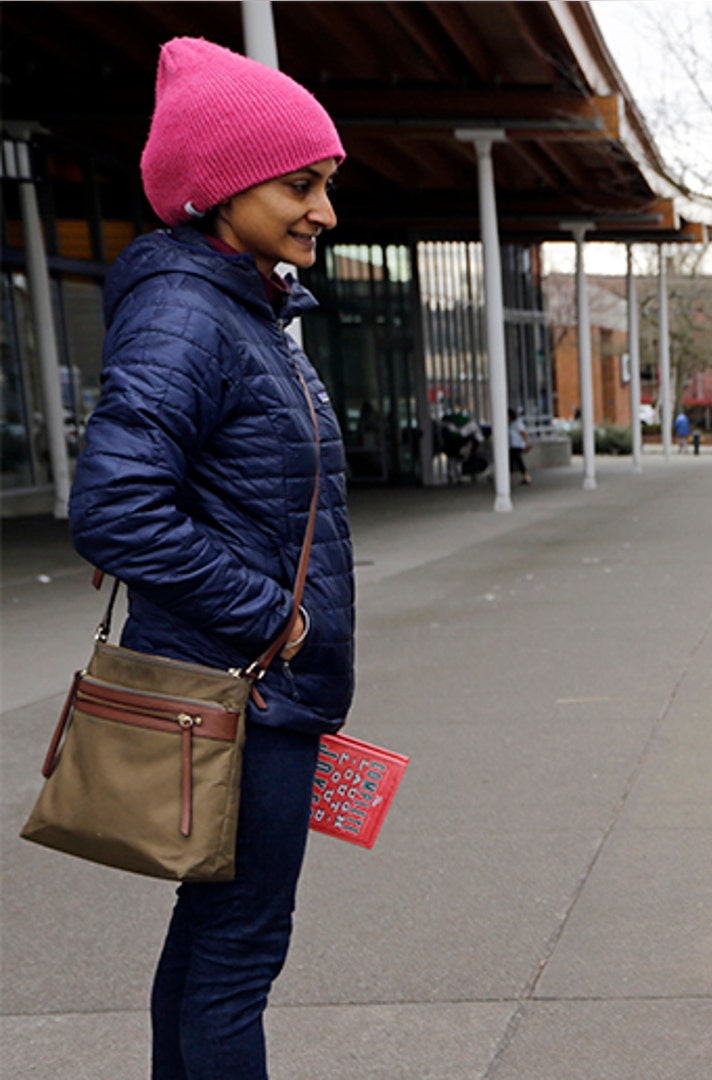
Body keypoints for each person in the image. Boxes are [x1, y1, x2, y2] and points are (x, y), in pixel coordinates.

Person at [65, 37, 354, 1079]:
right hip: (243, 691)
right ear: (220, 188)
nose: (324, 209)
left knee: (212, 941)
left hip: (253, 690)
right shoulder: (193, 315)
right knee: (238, 954)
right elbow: (113, 507)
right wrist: (273, 616)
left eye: (326, 183)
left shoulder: (244, 313)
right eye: (300, 184)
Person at [507, 407, 532, 485]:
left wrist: (527, 443)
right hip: (512, 445)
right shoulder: (509, 424)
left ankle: (526, 477)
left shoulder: (517, 423)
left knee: (517, 461)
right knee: (514, 461)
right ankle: (525, 477)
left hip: (517, 445)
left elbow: (523, 432)